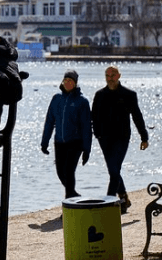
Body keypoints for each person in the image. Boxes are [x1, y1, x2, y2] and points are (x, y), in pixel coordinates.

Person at [92, 65, 149, 213]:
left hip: (122, 137)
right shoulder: (99, 95)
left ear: (119, 76)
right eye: (107, 76)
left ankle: (109, 201)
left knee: (114, 169)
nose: (110, 79)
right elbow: (93, 117)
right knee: (114, 170)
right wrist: (96, 133)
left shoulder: (129, 95)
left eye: (113, 76)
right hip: (104, 138)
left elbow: (137, 116)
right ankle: (123, 198)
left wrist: (144, 136)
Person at [40, 69, 92, 199]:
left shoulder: (82, 102)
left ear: (75, 83)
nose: (68, 83)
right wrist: (44, 142)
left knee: (69, 172)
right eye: (66, 80)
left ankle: (70, 201)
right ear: (62, 82)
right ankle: (73, 195)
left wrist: (87, 150)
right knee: (60, 172)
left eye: (71, 81)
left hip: (75, 142)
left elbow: (86, 128)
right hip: (59, 142)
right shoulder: (56, 99)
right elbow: (49, 122)